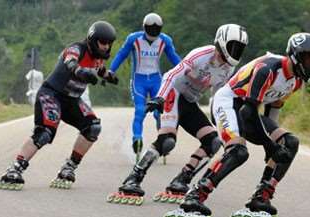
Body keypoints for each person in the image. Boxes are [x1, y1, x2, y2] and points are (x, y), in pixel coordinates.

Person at [163, 32, 310, 217]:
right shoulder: (268, 68)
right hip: (229, 102)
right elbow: (248, 110)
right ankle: (196, 195)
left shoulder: (296, 80)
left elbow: (271, 110)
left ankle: (261, 196)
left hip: (250, 110)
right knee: (238, 151)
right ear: (296, 57)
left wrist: (272, 146)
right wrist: (268, 144)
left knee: (289, 143)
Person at [106, 24, 248, 205]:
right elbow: (172, 74)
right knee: (167, 141)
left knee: (213, 142)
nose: (236, 52)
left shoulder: (228, 69)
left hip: (189, 102)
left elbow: (219, 97)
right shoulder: (202, 54)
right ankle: (134, 178)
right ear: (221, 42)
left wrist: (222, 123)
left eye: (240, 48)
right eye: (233, 46)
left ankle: (181, 180)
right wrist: (160, 97)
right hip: (173, 93)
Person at [0, 21, 119, 190]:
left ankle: (68, 168)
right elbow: (70, 61)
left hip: (72, 100)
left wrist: (109, 76)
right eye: (103, 42)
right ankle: (14, 170)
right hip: (52, 94)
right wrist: (80, 71)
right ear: (92, 40)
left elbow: (101, 70)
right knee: (45, 131)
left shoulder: (98, 59)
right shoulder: (77, 48)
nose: (106, 47)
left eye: (109, 43)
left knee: (93, 127)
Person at [109, 13, 181, 161]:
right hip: (138, 81)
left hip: (156, 80)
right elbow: (121, 54)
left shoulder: (165, 41)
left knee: (159, 113)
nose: (153, 33)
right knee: (140, 110)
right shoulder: (133, 39)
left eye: (156, 30)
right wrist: (111, 70)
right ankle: (137, 139)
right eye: (150, 30)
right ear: (144, 28)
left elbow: (174, 58)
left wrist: (186, 71)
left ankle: (162, 140)